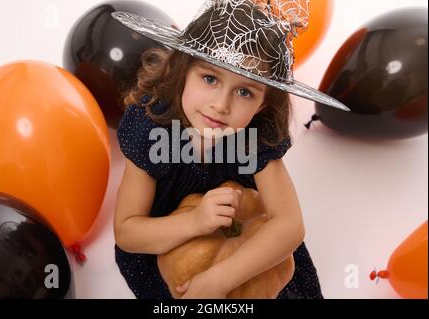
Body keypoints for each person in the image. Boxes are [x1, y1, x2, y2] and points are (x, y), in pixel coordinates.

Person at [112, 0, 349, 299]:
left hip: (243, 232)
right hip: (165, 235)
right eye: (210, 79)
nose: (221, 105)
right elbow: (128, 232)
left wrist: (218, 280)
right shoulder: (150, 127)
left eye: (244, 92)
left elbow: (289, 226)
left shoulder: (254, 135)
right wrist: (195, 221)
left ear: (262, 104)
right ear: (182, 70)